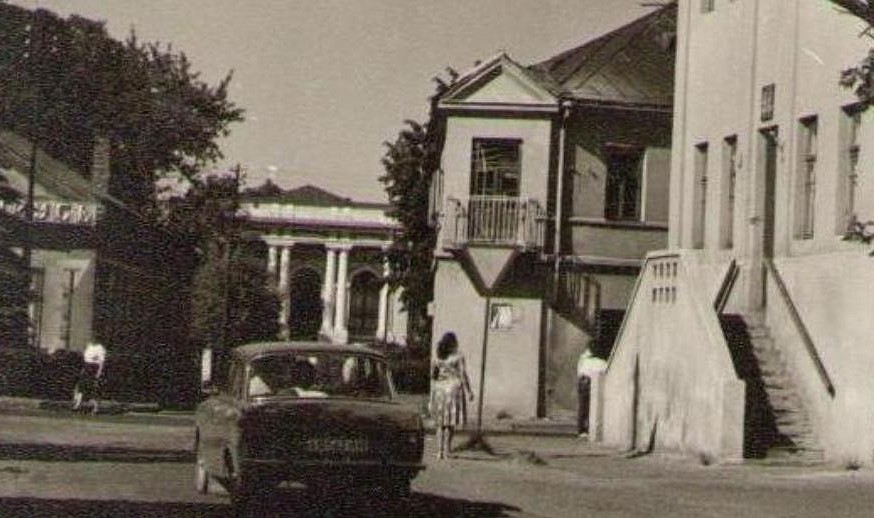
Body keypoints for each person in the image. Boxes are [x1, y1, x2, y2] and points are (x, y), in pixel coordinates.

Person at [429, 332, 473, 459]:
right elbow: (463, 374)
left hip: (439, 390)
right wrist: (469, 391)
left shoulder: (438, 356)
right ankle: (448, 451)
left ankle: (439, 452)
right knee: (450, 423)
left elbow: (433, 375)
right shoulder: (458, 356)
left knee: (440, 423)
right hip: (453, 390)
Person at [576, 347, 607, 437]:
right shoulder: (600, 361)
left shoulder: (585, 357)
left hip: (584, 380)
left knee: (583, 406)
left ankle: (582, 430)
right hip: (591, 380)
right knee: (589, 406)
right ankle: (586, 429)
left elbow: (580, 371)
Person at [73, 341, 107, 415]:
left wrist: (98, 373)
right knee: (81, 386)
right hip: (87, 367)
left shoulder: (100, 348)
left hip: (94, 368)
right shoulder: (89, 346)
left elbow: (101, 363)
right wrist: (83, 369)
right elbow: (86, 360)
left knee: (92, 388)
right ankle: (77, 405)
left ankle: (95, 408)